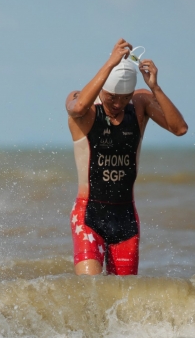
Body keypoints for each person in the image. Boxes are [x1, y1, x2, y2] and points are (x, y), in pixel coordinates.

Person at [65, 39, 188, 276]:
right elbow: (77, 107)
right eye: (112, 97)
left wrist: (155, 87)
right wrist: (111, 63)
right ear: (102, 90)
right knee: (90, 292)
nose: (118, 103)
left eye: (124, 97)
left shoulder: (140, 104)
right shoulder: (85, 105)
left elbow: (179, 128)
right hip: (89, 215)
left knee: (124, 298)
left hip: (126, 219)